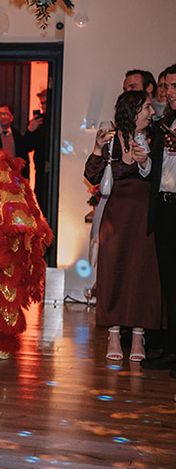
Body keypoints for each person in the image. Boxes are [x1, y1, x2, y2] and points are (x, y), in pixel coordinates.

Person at [84, 91, 162, 361]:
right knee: (113, 270)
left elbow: (162, 178)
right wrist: (96, 147)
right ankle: (114, 334)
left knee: (141, 272)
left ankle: (139, 337)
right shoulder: (111, 140)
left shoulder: (156, 138)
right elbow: (91, 175)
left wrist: (145, 163)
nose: (152, 112)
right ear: (134, 110)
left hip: (144, 215)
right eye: (147, 107)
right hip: (116, 216)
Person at [142, 63, 176, 375]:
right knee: (169, 283)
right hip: (164, 206)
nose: (169, 92)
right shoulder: (165, 122)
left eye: (174, 86)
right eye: (167, 87)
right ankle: (170, 351)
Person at [24, 88, 48, 211]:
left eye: (45, 103)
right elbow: (27, 147)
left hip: (57, 170)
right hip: (40, 170)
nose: (43, 106)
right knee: (41, 201)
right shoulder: (37, 122)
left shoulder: (59, 120)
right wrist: (30, 131)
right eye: (41, 103)